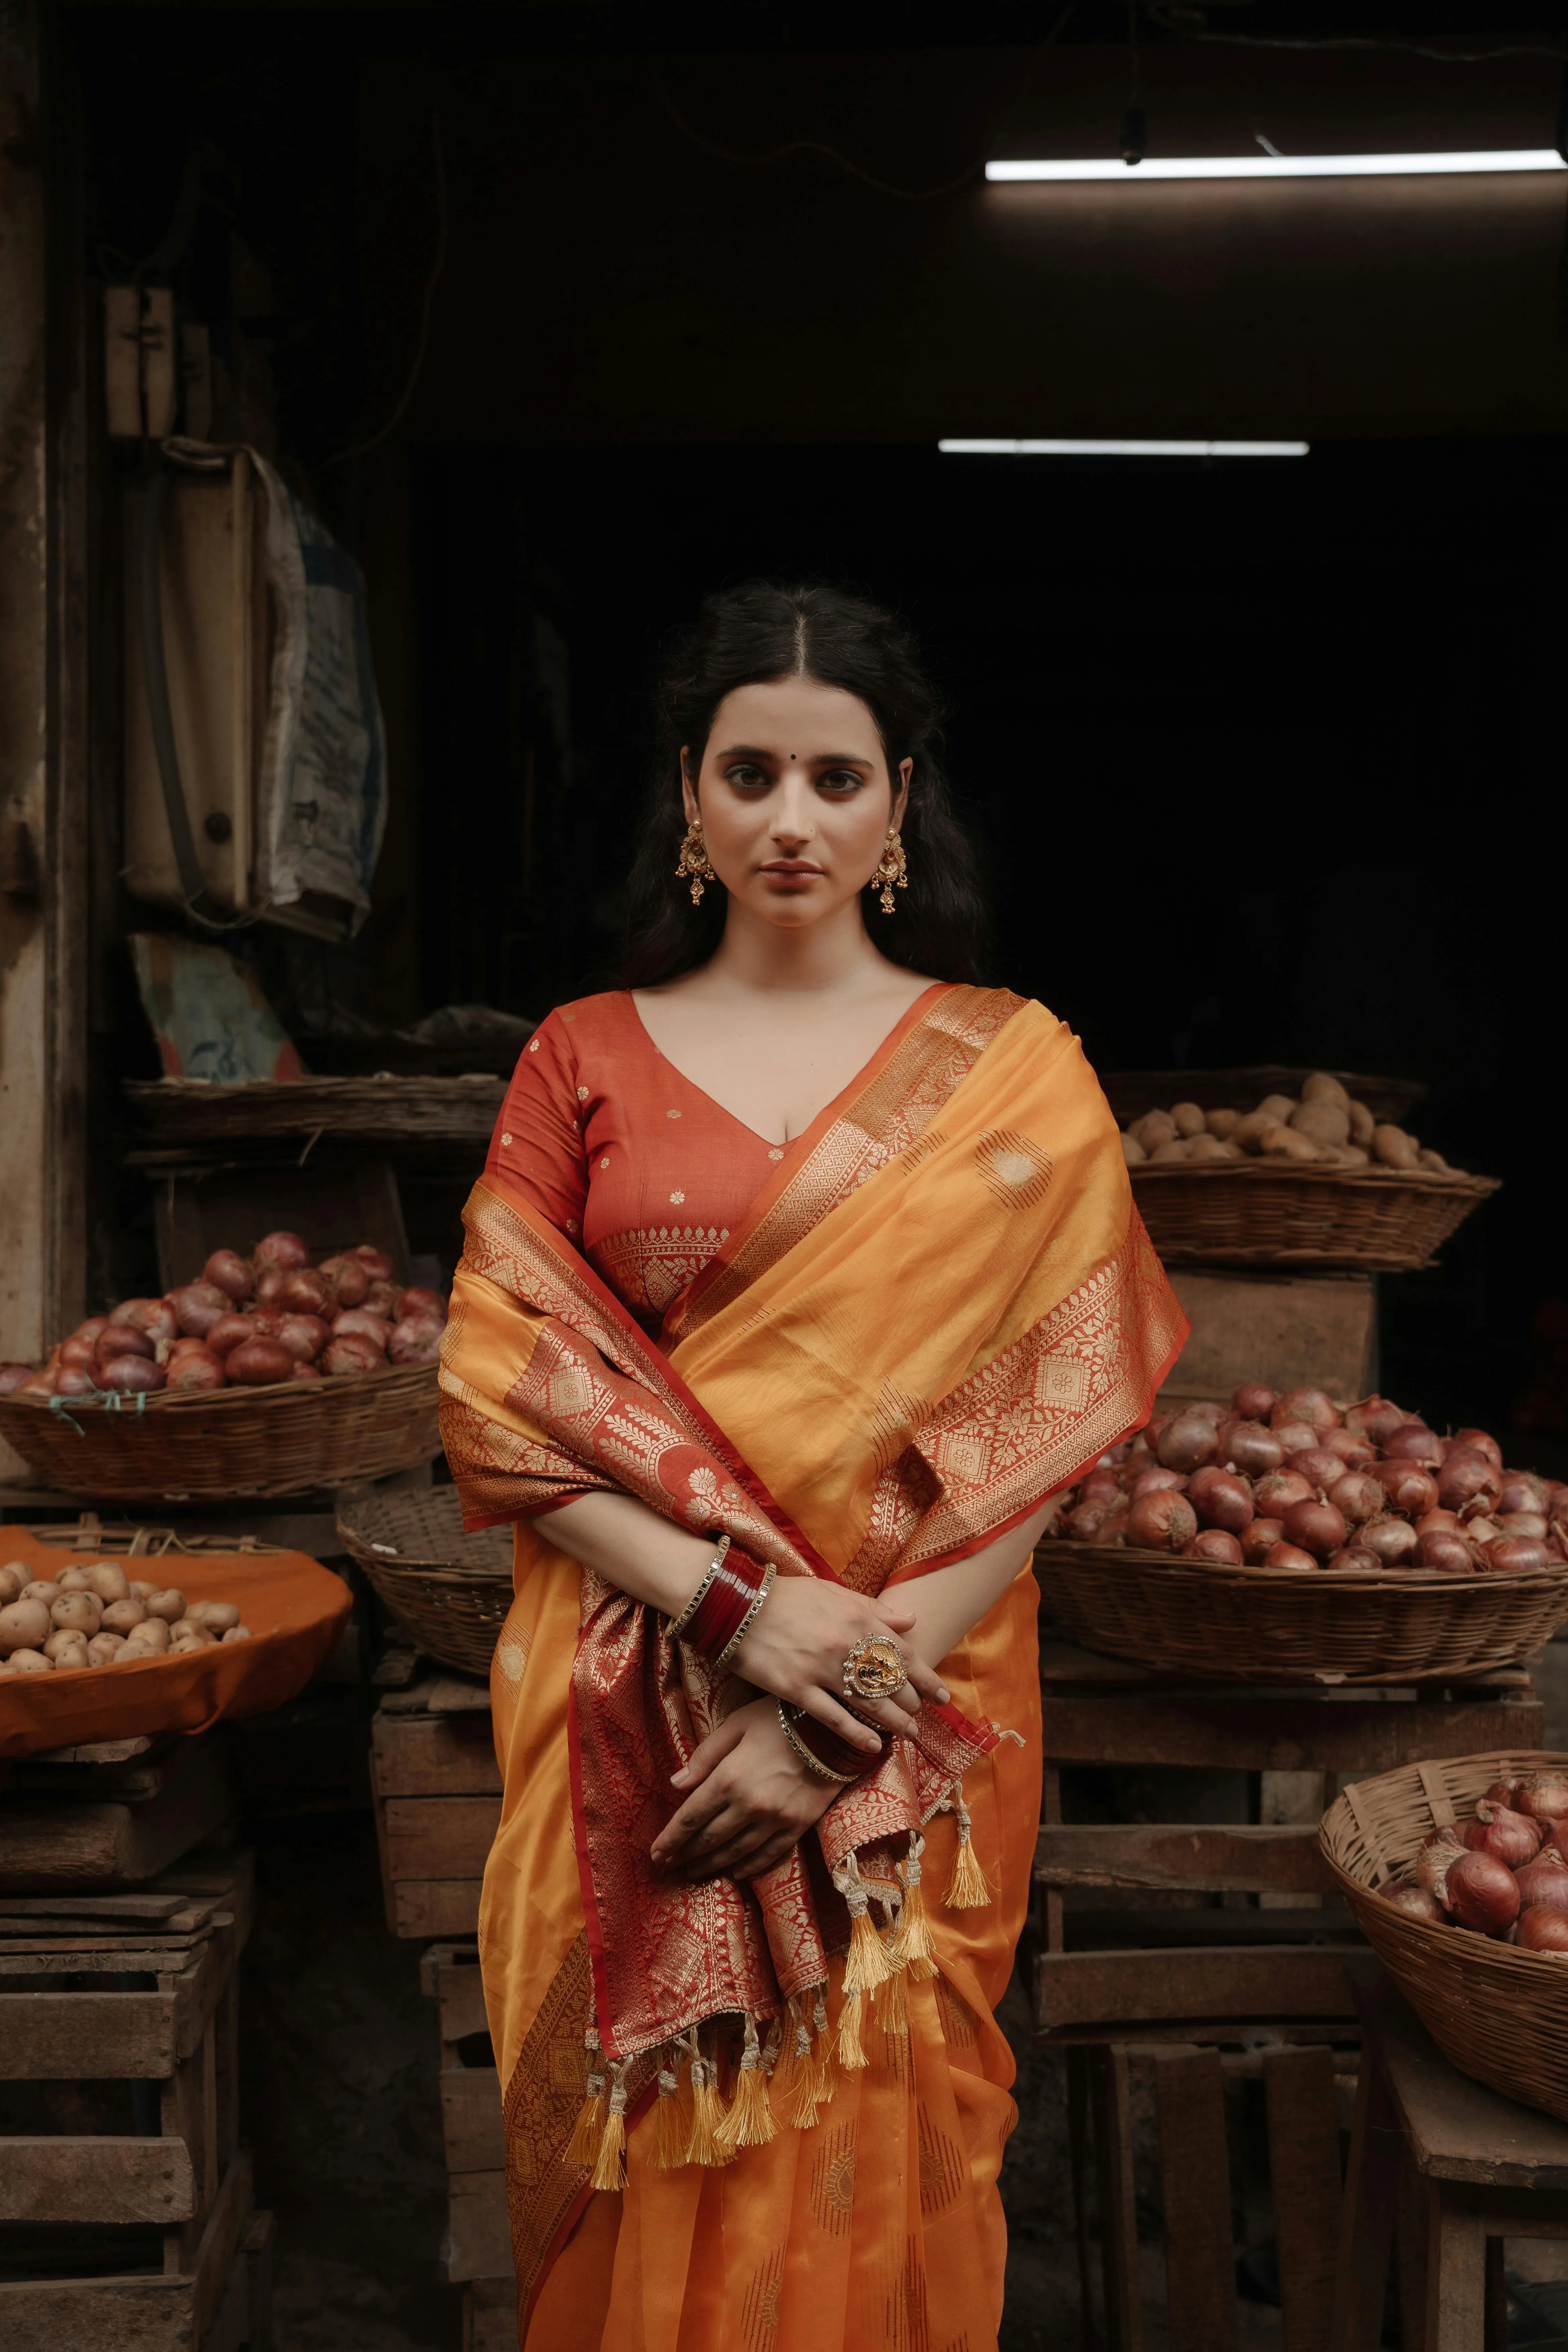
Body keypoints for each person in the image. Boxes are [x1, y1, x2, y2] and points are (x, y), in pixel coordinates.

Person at [439, 581, 1187, 2350]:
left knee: (874, 2156)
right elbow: (496, 1386)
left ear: (900, 804)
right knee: (638, 2166)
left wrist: (836, 1697)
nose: (792, 818)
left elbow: (1051, 1431)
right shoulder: (581, 1054)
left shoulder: (1016, 1072)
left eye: (835, 777)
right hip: (636, 1703)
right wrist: (742, 1613)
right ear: (687, 797)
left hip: (907, 1720)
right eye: (750, 772)